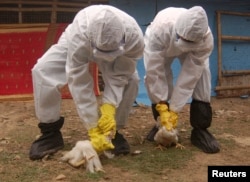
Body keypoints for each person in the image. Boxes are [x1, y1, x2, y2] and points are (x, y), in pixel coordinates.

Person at [29, 4, 144, 160]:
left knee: (132, 80)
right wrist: (92, 126)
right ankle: (50, 132)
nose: (105, 57)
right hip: (78, 41)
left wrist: (109, 108)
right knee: (43, 70)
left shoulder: (135, 38)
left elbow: (121, 74)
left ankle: (112, 133)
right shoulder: (80, 35)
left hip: (116, 49)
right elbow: (79, 80)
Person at [144, 6, 220, 153]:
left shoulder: (206, 40)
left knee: (202, 75)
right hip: (164, 42)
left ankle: (200, 129)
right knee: (159, 75)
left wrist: (175, 109)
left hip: (193, 47)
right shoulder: (160, 29)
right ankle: (161, 124)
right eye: (184, 40)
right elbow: (155, 72)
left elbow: (190, 76)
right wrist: (163, 108)